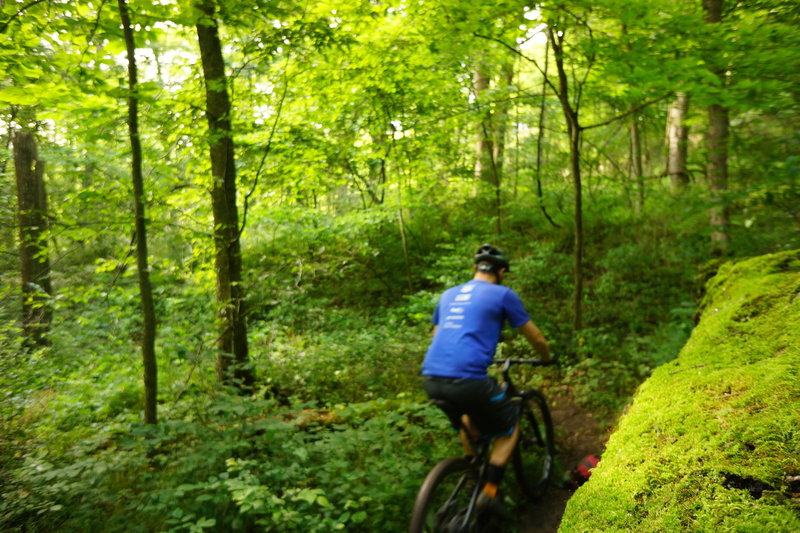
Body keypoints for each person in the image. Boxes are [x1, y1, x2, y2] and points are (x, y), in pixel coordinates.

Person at [421, 244, 551, 508]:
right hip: (467, 380)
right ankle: (490, 492)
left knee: (468, 418)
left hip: (431, 377)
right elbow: (535, 337)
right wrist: (547, 357)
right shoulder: (502, 294)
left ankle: (473, 476)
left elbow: (437, 335)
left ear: (474, 269)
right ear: (501, 271)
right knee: (509, 426)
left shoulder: (448, 295)